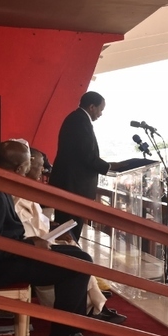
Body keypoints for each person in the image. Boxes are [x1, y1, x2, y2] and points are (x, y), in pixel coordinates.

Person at [0, 140, 102, 336]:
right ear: (19, 168)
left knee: (79, 257)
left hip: (9, 256)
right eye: (29, 165)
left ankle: (69, 333)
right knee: (78, 266)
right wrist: (29, 244)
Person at [14, 148, 126, 324]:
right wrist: (50, 236)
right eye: (40, 166)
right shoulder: (16, 196)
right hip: (28, 250)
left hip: (37, 241)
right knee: (78, 259)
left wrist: (52, 227)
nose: (43, 171)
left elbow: (35, 221)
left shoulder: (25, 190)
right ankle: (89, 310)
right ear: (26, 166)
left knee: (73, 246)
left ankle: (95, 307)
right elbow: (24, 231)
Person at [49, 91, 121, 242]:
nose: (101, 114)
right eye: (101, 109)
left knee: (68, 229)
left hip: (72, 185)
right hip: (73, 186)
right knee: (69, 230)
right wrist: (108, 168)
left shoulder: (77, 119)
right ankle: (67, 259)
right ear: (92, 107)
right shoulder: (79, 121)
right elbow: (86, 154)